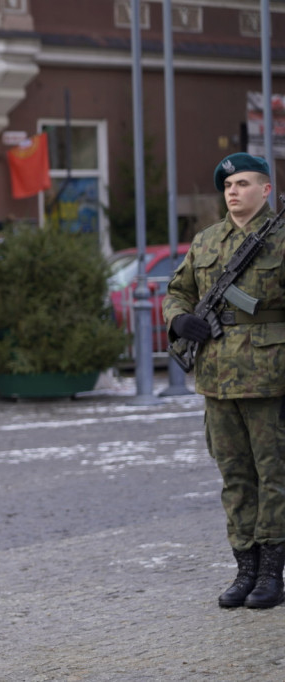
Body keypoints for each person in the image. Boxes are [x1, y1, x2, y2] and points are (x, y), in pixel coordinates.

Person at [163, 152, 285, 610]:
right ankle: (245, 569)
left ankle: (273, 572)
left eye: (245, 184)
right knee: (234, 477)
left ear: (266, 190)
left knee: (275, 476)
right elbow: (178, 292)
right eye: (229, 186)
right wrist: (179, 323)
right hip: (217, 380)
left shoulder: (281, 239)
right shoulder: (207, 241)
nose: (234, 192)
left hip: (271, 379)